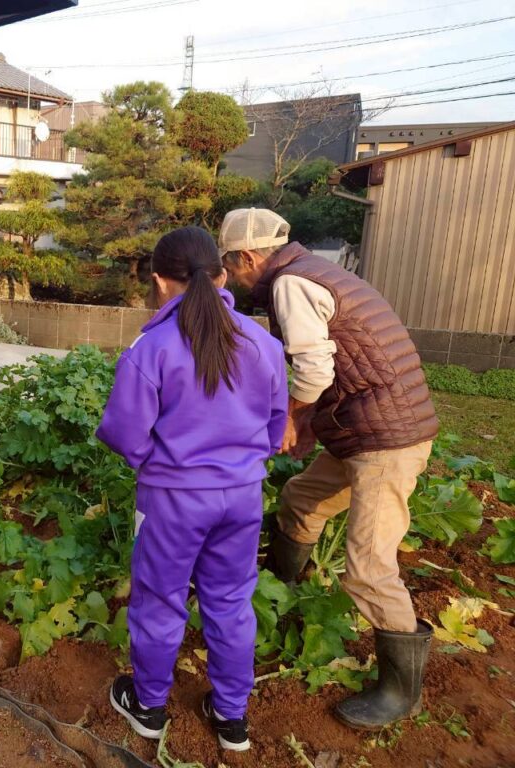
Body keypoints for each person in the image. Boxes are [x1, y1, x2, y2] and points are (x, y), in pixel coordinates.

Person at [218, 207, 439, 731]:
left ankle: (401, 692)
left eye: (229, 266)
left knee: (369, 567)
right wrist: (316, 426)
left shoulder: (291, 284)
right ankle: (280, 593)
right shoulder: (314, 271)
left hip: (384, 442)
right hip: (363, 428)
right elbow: (342, 361)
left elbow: (315, 369)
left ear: (247, 256)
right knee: (301, 498)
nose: (231, 278)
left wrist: (293, 418)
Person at [97, 227, 287, 753]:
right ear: (222, 277)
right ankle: (231, 718)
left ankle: (149, 707)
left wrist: (160, 465)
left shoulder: (152, 347)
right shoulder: (264, 344)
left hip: (173, 500)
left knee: (160, 599)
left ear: (160, 281)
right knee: (231, 602)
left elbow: (124, 433)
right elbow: (276, 425)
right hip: (242, 496)